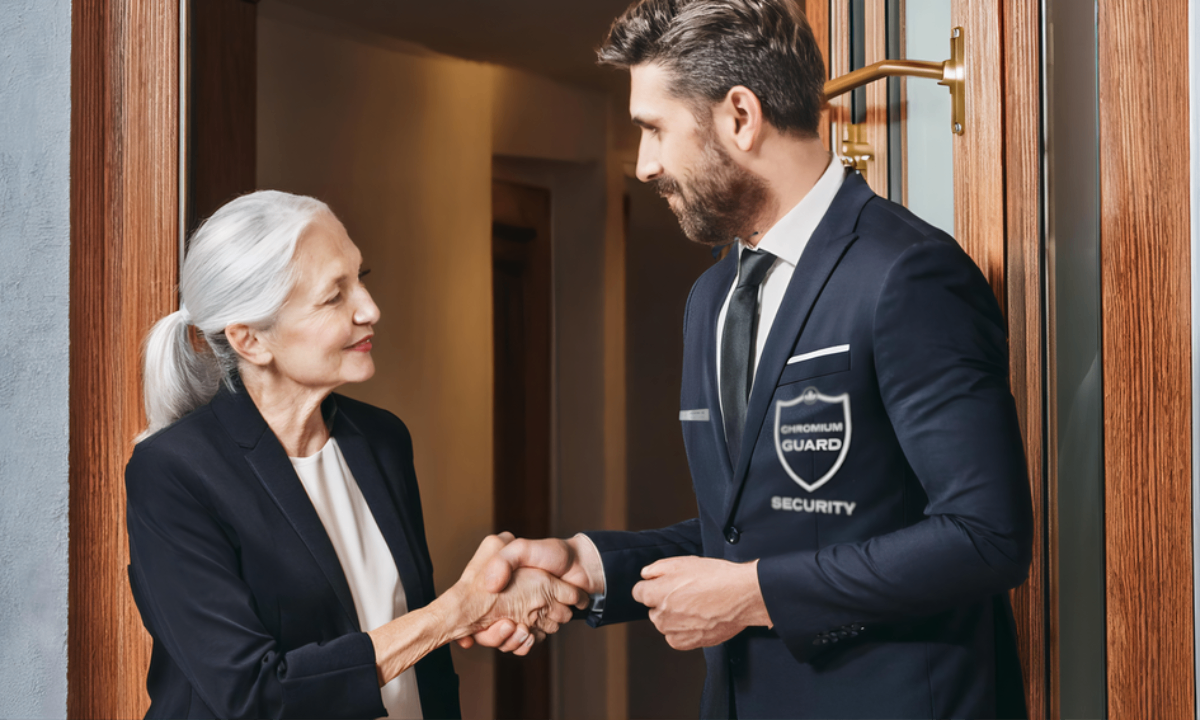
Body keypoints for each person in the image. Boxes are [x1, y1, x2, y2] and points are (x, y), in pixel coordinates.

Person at [474, 1, 1033, 718]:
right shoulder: (711, 296)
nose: (642, 165)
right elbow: (754, 531)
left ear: (741, 115)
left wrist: (756, 596)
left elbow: (986, 538)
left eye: (653, 129)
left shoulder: (908, 275)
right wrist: (589, 568)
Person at [124, 191, 584, 719]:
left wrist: (485, 605)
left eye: (360, 278)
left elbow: (409, 646)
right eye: (334, 296)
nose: (370, 309)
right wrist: (457, 611)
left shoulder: (382, 441)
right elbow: (255, 695)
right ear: (250, 340)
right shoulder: (173, 473)